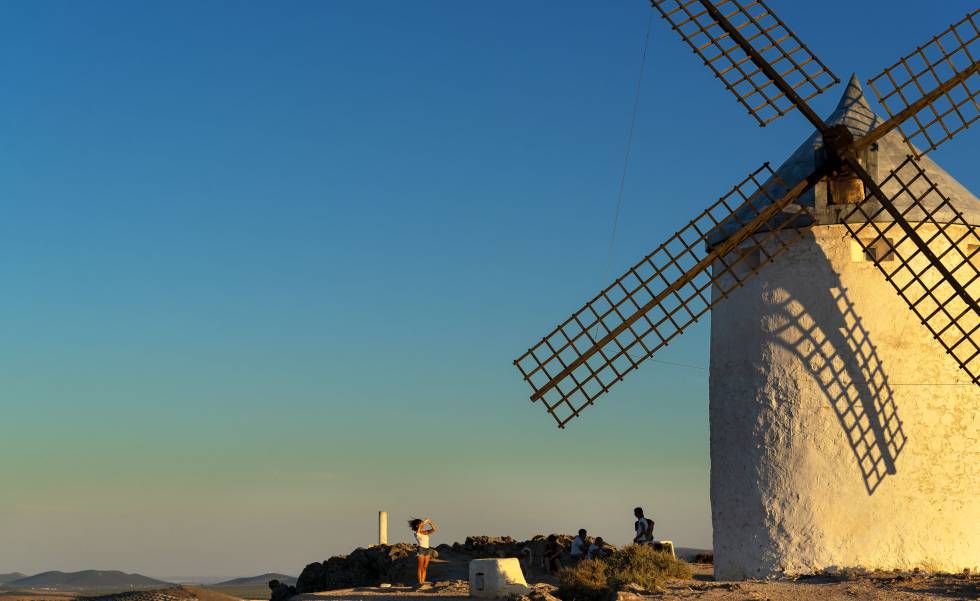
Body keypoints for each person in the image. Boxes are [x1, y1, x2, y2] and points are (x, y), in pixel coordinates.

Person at [409, 517, 438, 585]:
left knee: (425, 567)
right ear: (417, 525)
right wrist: (421, 524)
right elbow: (418, 532)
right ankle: (420, 582)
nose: (422, 525)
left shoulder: (425, 532)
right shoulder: (416, 533)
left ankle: (423, 581)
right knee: (420, 566)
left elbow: (434, 529)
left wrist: (430, 522)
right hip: (421, 549)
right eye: (420, 524)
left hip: (427, 549)